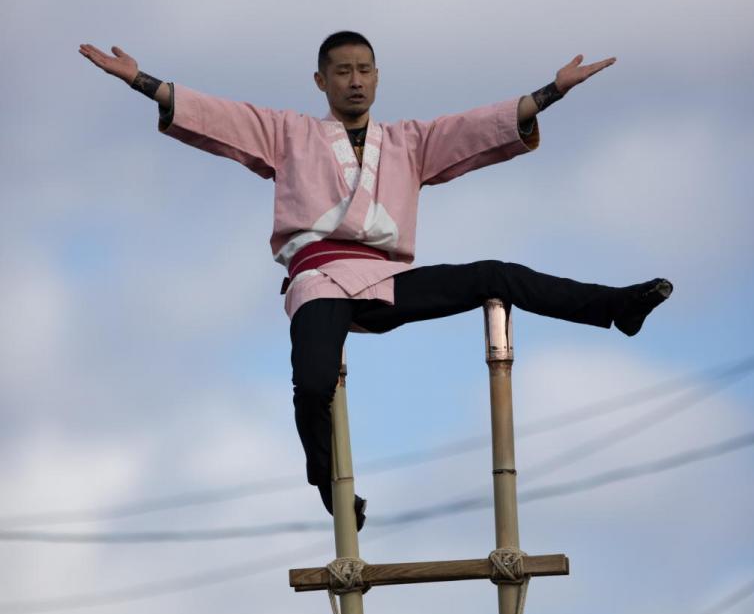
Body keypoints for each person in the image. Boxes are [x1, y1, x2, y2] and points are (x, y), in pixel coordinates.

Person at [78, 32, 672, 529]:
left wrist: (551, 93)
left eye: (364, 70)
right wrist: (140, 80)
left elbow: (480, 126)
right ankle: (330, 486)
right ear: (321, 81)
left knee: (496, 274)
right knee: (312, 385)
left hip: (389, 281)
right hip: (319, 280)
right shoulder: (288, 134)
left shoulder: (409, 142)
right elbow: (218, 114)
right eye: (342, 72)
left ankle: (616, 307)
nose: (355, 81)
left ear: (378, 76)